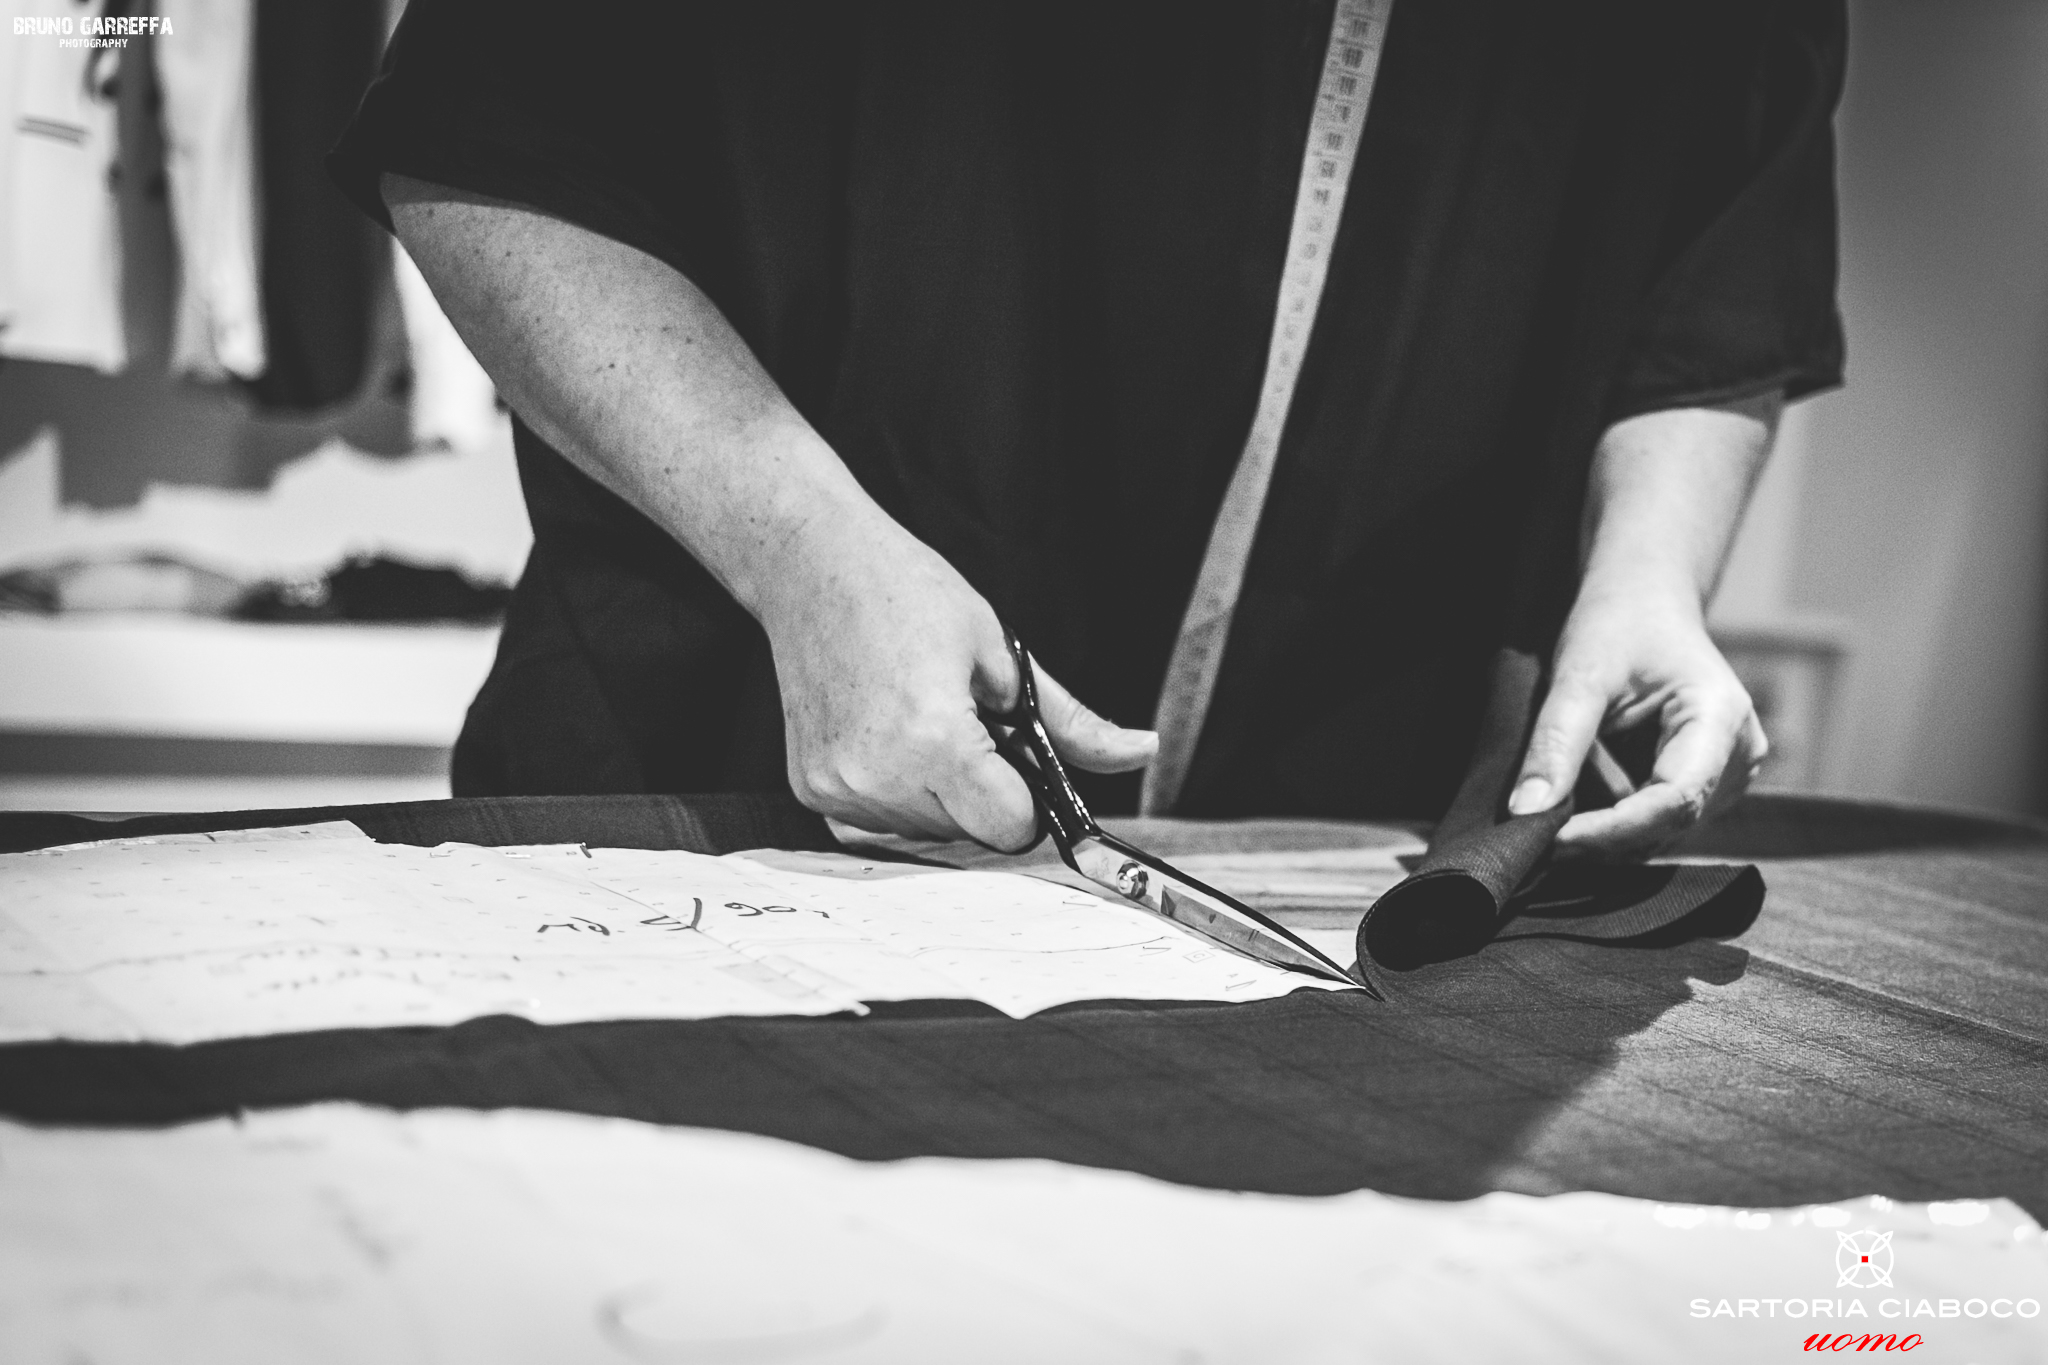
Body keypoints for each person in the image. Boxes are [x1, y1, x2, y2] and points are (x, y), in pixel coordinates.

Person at [330, 0, 1845, 858]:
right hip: (720, 800)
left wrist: (1649, 574)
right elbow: (487, 145)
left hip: (1350, 869)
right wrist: (799, 545)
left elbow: (1714, 290)